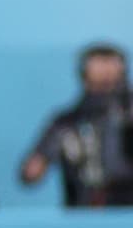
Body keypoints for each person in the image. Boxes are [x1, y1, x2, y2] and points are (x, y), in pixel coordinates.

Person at [19, 42, 133, 207]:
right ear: (84, 78)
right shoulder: (66, 124)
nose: (105, 87)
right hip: (83, 214)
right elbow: (30, 173)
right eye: (99, 82)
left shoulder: (127, 116)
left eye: (111, 81)